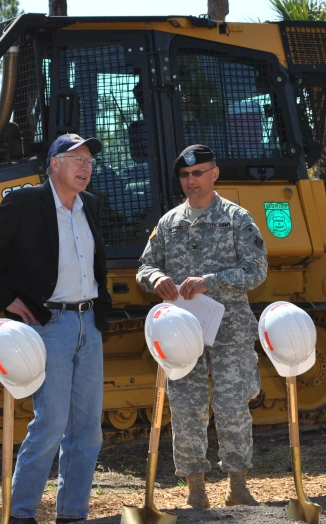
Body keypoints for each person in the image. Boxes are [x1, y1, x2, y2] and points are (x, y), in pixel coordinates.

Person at [0, 133, 112, 524]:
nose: (86, 167)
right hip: (50, 325)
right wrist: (5, 298)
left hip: (89, 324)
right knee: (51, 423)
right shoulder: (26, 203)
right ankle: (23, 514)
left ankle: (73, 515)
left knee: (88, 431)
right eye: (77, 159)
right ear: (55, 164)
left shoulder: (90, 206)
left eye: (90, 162)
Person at [136, 144, 268, 508]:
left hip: (230, 330)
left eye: (198, 173)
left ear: (214, 174)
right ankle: (195, 489)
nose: (191, 180)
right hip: (182, 336)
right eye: (185, 175)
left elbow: (257, 271)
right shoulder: (169, 223)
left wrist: (211, 280)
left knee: (232, 406)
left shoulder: (237, 218)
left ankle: (238, 485)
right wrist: (157, 278)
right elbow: (144, 267)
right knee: (186, 408)